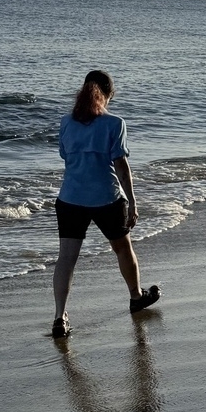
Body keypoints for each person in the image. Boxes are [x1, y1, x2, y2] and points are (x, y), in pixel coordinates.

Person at [50, 69, 160, 339]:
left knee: (67, 258)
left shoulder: (66, 122)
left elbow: (66, 156)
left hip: (70, 199)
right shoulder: (115, 124)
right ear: (109, 94)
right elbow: (121, 167)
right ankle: (136, 297)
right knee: (123, 249)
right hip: (106, 199)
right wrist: (133, 202)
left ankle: (59, 316)